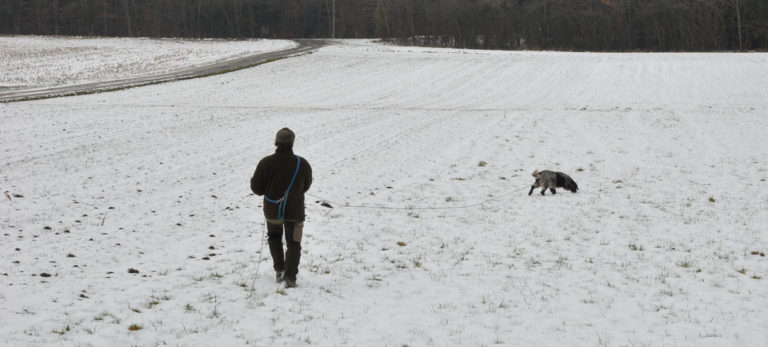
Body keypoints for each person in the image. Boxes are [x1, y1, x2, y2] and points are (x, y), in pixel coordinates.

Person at [251, 128, 312, 288]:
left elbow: (257, 189)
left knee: (274, 237)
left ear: (276, 142)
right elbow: (306, 186)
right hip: (295, 211)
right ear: (292, 143)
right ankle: (290, 277)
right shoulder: (302, 163)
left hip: (272, 210)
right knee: (294, 243)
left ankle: (279, 269)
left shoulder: (266, 162)